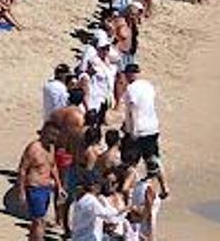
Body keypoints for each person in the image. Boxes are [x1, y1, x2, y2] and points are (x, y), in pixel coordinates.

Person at [121, 63, 171, 200]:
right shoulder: (148, 86)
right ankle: (164, 187)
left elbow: (133, 110)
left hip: (139, 129)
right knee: (153, 158)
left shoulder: (130, 89)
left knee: (131, 162)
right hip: (152, 127)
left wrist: (132, 130)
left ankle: (125, 190)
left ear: (129, 75)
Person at [17, 121, 64, 241]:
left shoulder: (51, 148)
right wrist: (21, 192)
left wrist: (59, 186)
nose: (54, 138)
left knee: (36, 222)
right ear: (45, 133)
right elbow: (22, 170)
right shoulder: (33, 148)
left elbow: (53, 167)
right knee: (40, 221)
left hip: (46, 189)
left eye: (56, 136)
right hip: (34, 189)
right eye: (52, 135)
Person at [69, 173, 127, 241]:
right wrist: (120, 210)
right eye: (98, 184)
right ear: (93, 186)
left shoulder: (81, 198)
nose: (100, 187)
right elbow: (105, 214)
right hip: (88, 237)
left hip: (78, 236)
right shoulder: (91, 200)